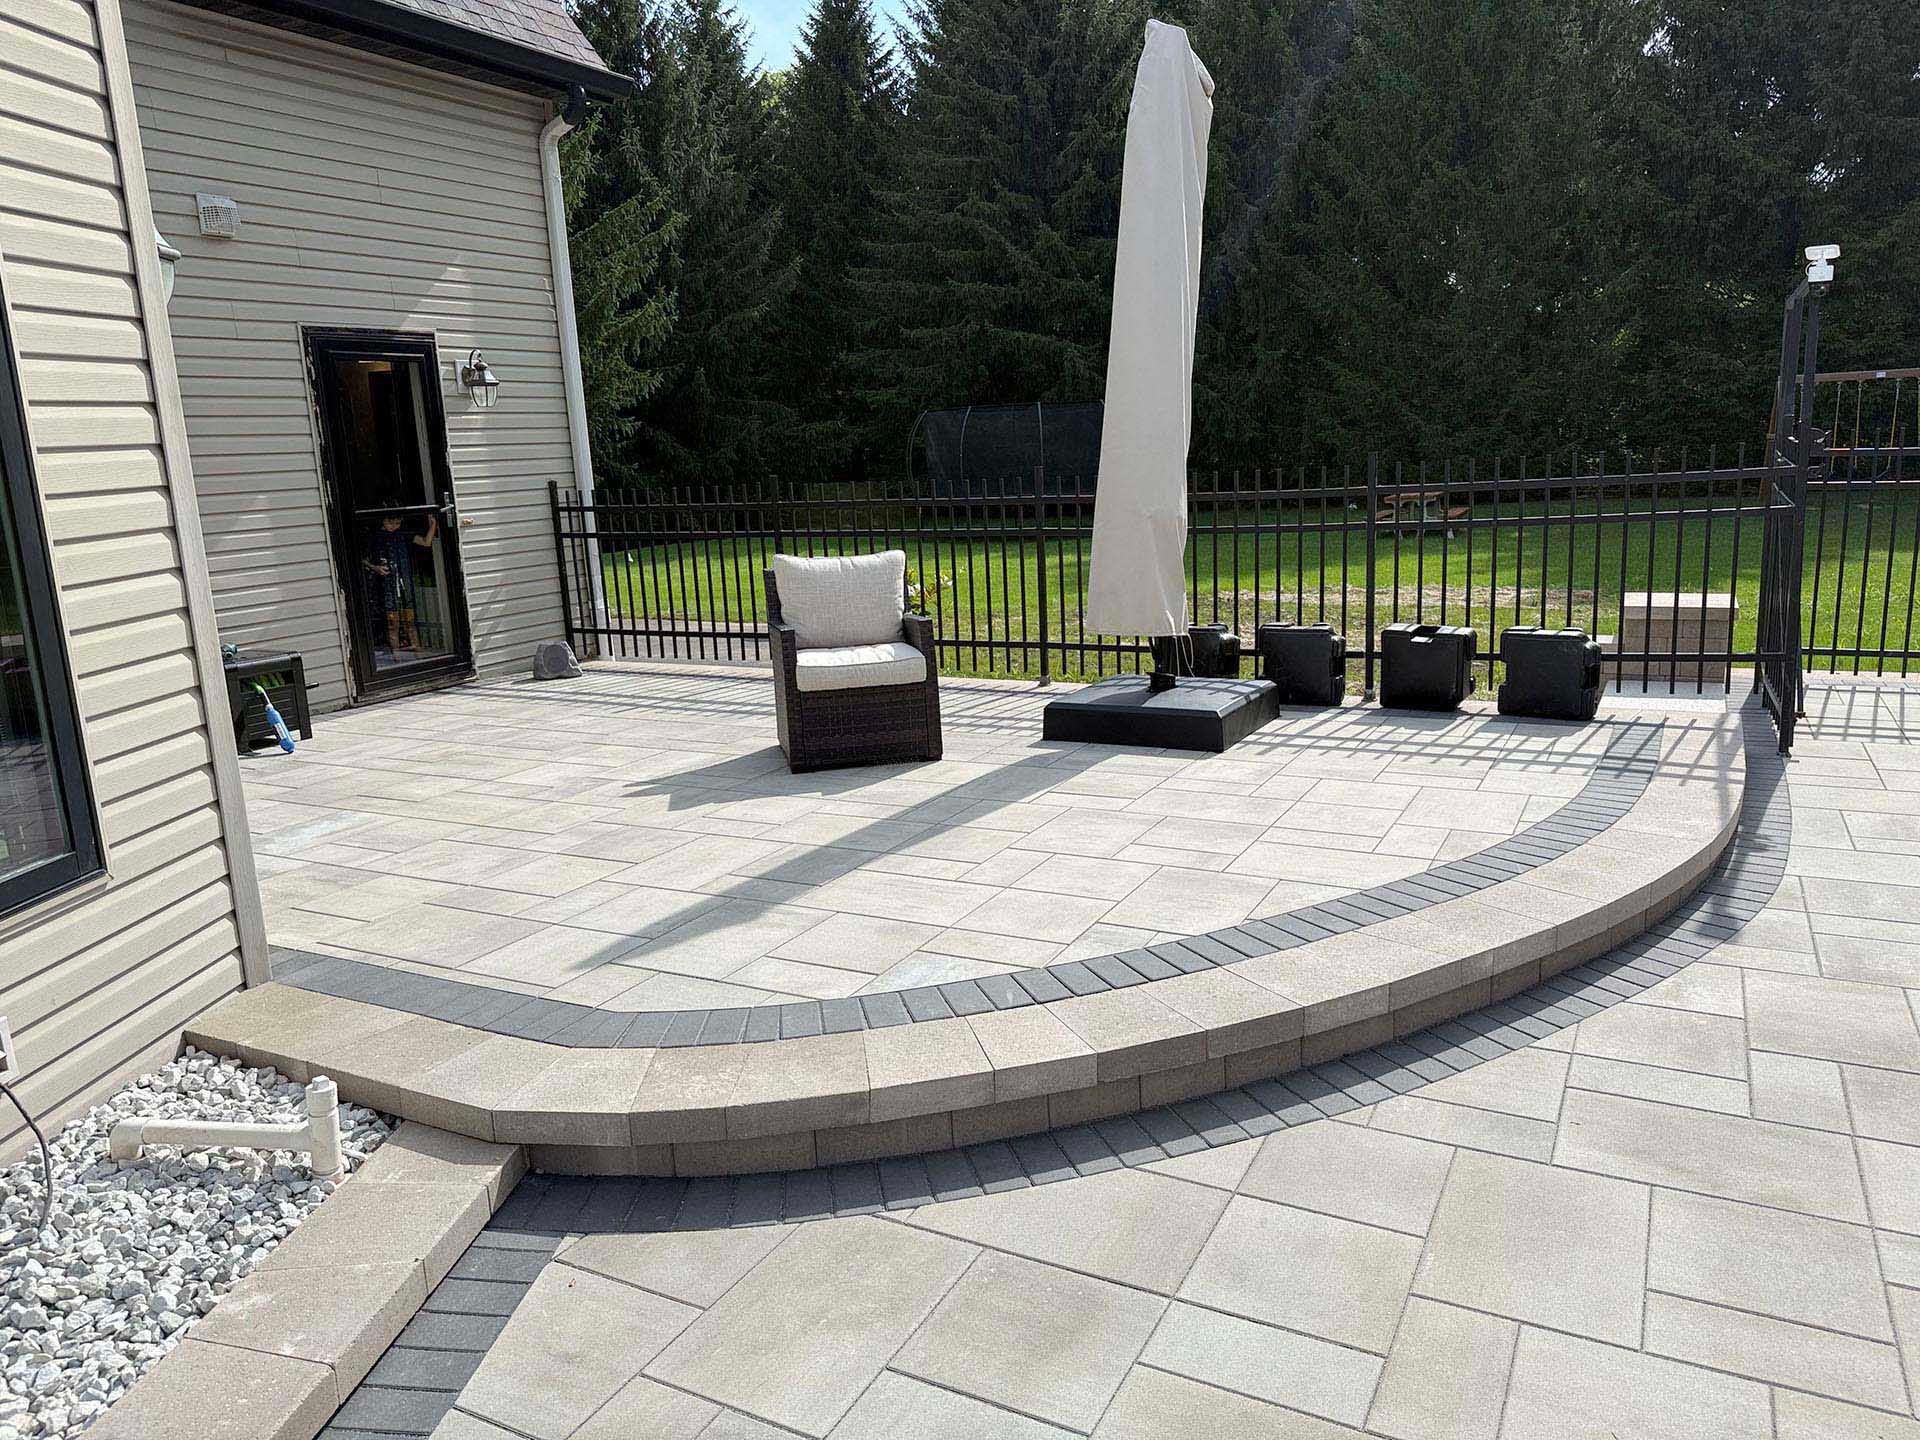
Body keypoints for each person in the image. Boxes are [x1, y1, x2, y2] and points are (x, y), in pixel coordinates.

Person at [363, 512, 438, 656]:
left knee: (410, 619)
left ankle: (417, 650)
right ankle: (396, 654)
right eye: (390, 523)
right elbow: (363, 558)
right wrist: (376, 567)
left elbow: (426, 542)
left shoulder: (403, 535)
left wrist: (433, 524)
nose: (394, 527)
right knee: (392, 621)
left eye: (397, 523)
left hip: (404, 581)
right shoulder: (375, 538)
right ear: (383, 521)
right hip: (386, 583)